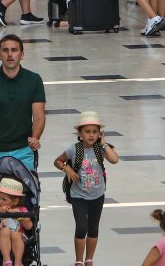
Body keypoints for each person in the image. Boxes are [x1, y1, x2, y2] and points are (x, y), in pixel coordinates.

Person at [53, 111, 119, 266]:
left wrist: (104, 144)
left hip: (97, 194)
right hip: (78, 195)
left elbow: (115, 160)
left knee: (93, 228)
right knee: (82, 227)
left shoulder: (100, 148)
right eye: (87, 132)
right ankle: (78, 260)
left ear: (100, 134)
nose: (91, 135)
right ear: (80, 133)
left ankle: (89, 259)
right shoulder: (74, 149)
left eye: (95, 132)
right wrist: (67, 169)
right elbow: (57, 161)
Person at [0, 34, 46, 170]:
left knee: (27, 191)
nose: (10, 54)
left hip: (24, 150)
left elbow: (39, 116)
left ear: (22, 54)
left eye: (14, 50)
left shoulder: (34, 80)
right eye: (5, 50)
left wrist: (35, 138)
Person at [0, 177, 34, 266]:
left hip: (19, 235)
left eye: (4, 199)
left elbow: (29, 226)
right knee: (5, 231)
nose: (0, 201)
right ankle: (6, 259)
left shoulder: (22, 210)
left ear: (15, 201)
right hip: (1, 235)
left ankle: (18, 261)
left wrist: (18, 215)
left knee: (15, 234)